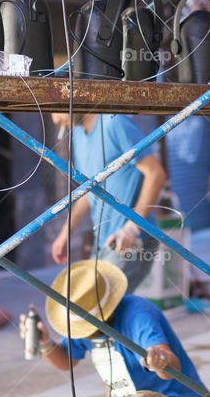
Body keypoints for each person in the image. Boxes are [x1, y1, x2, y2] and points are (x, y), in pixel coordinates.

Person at [19, 260, 203, 397]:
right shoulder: (80, 320)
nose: (83, 334)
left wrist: (160, 361)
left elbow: (171, 364)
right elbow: (67, 360)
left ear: (106, 314)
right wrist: (44, 342)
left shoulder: (138, 315)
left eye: (86, 329)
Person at [50, 113, 168, 292]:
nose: (55, 120)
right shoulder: (78, 135)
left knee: (99, 309)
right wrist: (66, 233)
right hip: (103, 242)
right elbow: (88, 192)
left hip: (131, 239)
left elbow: (156, 174)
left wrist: (131, 228)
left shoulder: (114, 122)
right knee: (93, 306)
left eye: (55, 110)